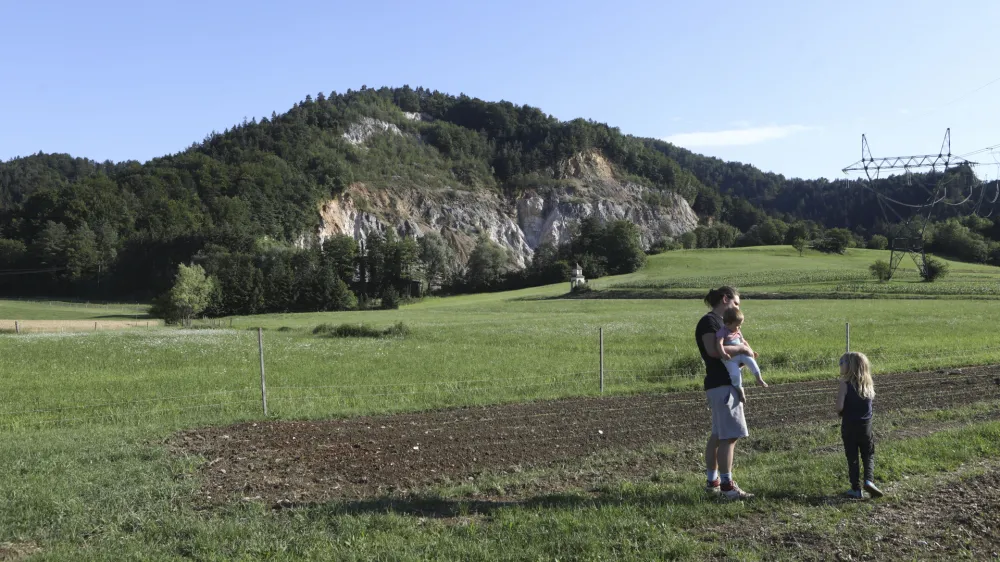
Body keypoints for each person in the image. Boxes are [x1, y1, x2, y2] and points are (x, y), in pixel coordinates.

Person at [696, 286, 754, 500]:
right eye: (736, 303)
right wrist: (742, 350)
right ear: (725, 299)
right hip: (722, 385)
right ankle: (727, 487)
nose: (738, 308)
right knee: (730, 436)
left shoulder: (722, 324)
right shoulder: (710, 322)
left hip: (719, 384)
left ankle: (713, 482)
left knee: (718, 435)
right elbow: (713, 351)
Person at [836, 351, 884, 499]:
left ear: (850, 366)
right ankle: (869, 481)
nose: (840, 365)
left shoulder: (844, 385)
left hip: (849, 426)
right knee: (868, 454)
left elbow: (839, 407)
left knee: (852, 457)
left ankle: (856, 489)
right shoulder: (868, 385)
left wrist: (841, 411)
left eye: (842, 363)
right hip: (866, 427)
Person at [716, 308, 767, 405]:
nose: (739, 328)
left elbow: (743, 341)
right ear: (727, 324)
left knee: (752, 362)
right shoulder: (723, 331)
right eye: (737, 325)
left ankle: (759, 378)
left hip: (742, 354)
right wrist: (723, 354)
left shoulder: (737, 331)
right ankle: (740, 390)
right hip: (731, 359)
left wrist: (751, 351)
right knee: (735, 375)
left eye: (740, 325)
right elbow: (719, 344)